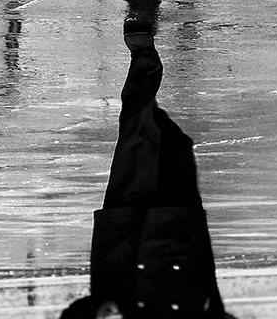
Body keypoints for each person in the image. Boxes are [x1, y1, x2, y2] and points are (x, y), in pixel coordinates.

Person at [60, 21, 233, 319]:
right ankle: (147, 106)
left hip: (123, 249)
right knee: (176, 145)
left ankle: (143, 58)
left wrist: (97, 311)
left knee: (136, 140)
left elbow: (73, 316)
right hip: (178, 246)